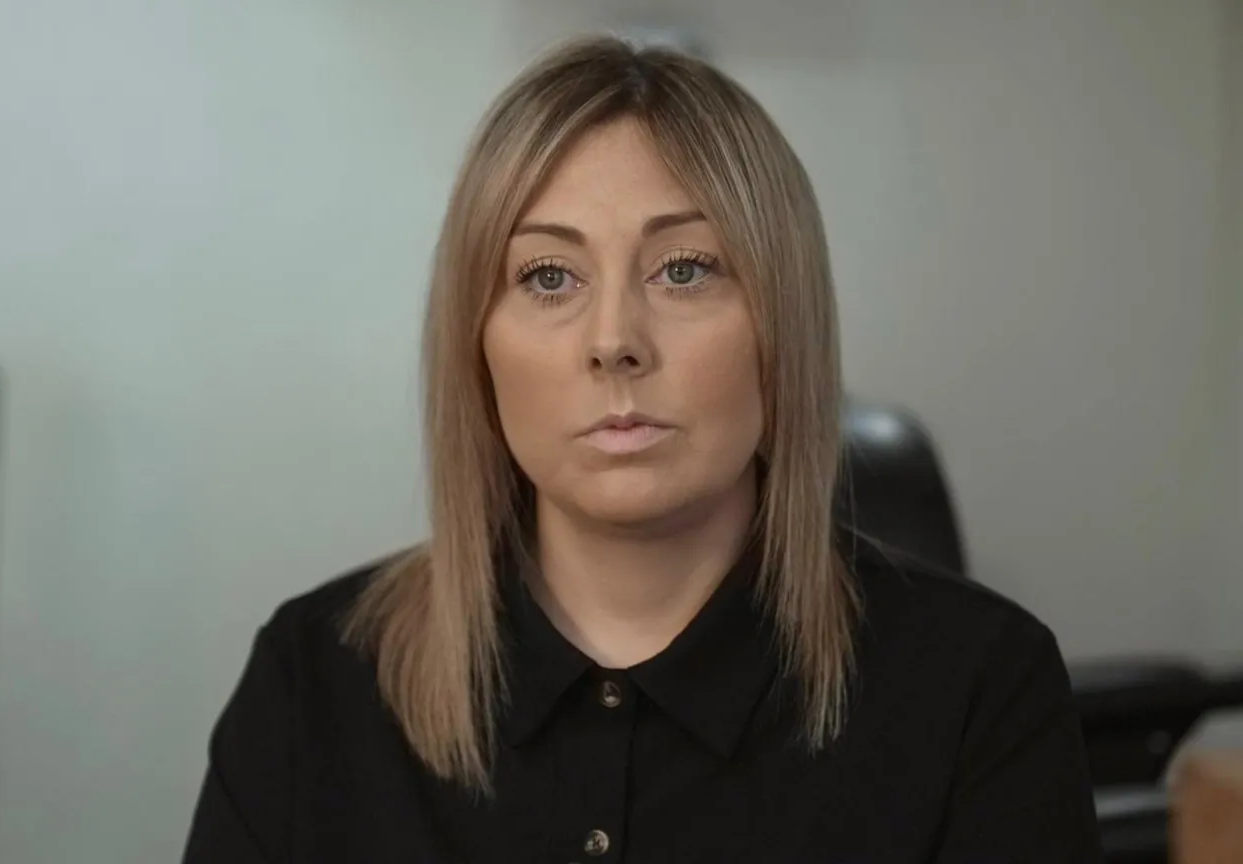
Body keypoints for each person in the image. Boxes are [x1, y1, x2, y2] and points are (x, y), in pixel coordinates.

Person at [182, 36, 1101, 863]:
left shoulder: (979, 687)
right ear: (477, 339)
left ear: (782, 323)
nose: (614, 337)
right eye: (548, 276)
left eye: (685, 269)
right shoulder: (316, 678)